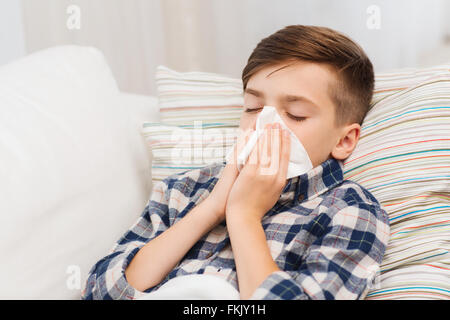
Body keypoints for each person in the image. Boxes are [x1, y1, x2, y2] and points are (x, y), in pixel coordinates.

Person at [81, 25, 390, 300]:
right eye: (254, 107)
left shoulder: (350, 211)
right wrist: (213, 207)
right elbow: (100, 292)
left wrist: (244, 215)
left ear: (344, 140)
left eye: (295, 114)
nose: (265, 125)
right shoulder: (182, 190)